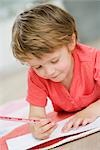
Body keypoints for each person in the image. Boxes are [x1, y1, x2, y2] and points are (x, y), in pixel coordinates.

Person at [11, 3, 100, 140]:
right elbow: (36, 115)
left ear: (71, 41)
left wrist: (93, 110)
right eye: (38, 66)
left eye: (54, 61)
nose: (49, 72)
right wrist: (37, 127)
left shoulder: (93, 59)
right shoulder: (35, 76)